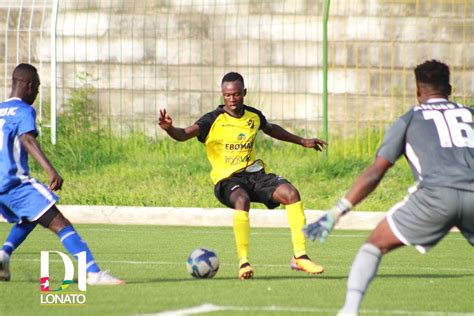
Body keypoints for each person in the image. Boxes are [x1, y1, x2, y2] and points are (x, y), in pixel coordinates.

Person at [303, 60, 473, 315]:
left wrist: (336, 213)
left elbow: (375, 173)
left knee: (373, 245)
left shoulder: (409, 119)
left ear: (417, 90)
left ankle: (349, 310)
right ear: (450, 87)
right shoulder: (470, 114)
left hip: (434, 199)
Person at [159, 72, 328, 280]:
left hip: (254, 175)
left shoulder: (253, 116)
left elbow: (271, 129)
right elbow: (184, 134)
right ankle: (244, 261)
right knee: (242, 200)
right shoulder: (212, 120)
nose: (232, 99)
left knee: (291, 193)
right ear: (222, 95)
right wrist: (169, 129)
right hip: (226, 180)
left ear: (244, 93)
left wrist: (302, 141)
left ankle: (300, 257)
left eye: (236, 94)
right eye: (227, 95)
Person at [0, 63, 124, 285]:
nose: (37, 92)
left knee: (33, 215)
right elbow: (27, 139)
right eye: (37, 87)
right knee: (60, 223)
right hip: (14, 182)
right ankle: (94, 273)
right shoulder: (24, 111)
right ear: (28, 85)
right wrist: (51, 170)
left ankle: (3, 255)